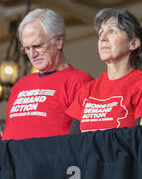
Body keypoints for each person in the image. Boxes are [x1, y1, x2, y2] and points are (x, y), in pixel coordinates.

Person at [2, 8, 93, 140]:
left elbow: (85, 142)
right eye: (27, 48)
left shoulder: (80, 81)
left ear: (59, 42)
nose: (32, 55)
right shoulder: (20, 85)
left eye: (37, 46)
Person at [67, 8, 142, 133]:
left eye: (112, 31)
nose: (103, 38)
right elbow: (73, 143)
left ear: (133, 43)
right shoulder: (86, 91)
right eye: (100, 33)